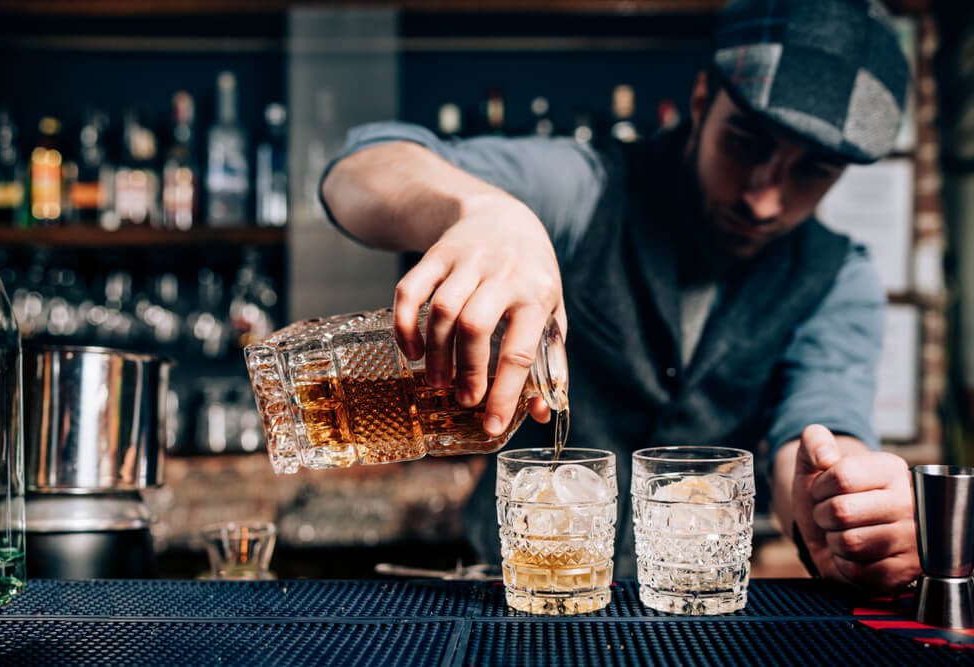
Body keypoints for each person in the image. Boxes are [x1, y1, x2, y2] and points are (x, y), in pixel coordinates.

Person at [319, 0, 920, 592]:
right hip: (514, 592)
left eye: (812, 170)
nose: (764, 198)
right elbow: (356, 171)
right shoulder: (584, 189)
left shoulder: (841, 278)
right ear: (701, 100)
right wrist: (480, 210)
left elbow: (815, 438)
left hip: (685, 606)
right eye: (747, 142)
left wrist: (837, 503)